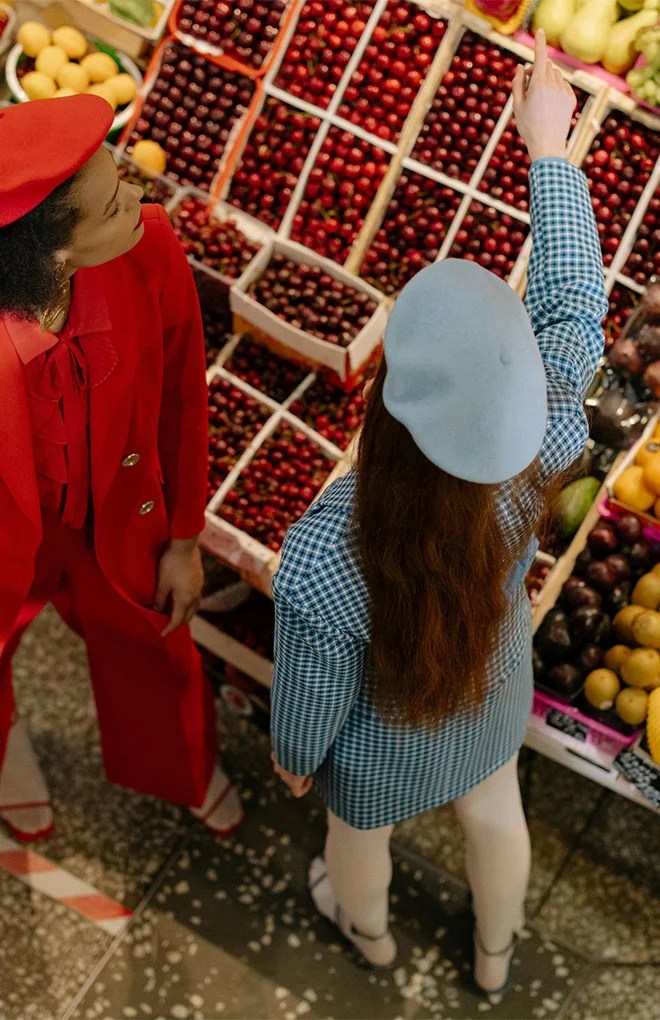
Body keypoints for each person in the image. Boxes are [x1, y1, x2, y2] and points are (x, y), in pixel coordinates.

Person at [270, 32, 608, 995]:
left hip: (379, 750)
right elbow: (576, 307)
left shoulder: (326, 553)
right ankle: (495, 961)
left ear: (386, 403)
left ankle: (365, 936)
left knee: (355, 840)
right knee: (498, 818)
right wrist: (549, 150)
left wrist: (296, 761)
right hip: (489, 702)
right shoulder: (541, 446)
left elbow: (311, 697)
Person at [0, 96, 243, 842]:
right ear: (52, 255)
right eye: (111, 206)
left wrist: (182, 535)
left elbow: (181, 390)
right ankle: (6, 756)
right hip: (10, 541)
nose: (140, 201)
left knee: (156, 638)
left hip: (118, 509)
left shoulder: (150, 246)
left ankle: (185, 766)